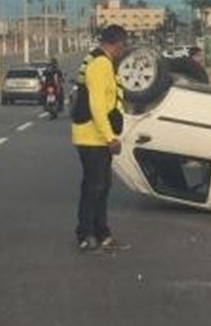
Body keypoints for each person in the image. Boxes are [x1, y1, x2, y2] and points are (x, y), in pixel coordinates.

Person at [71, 24, 130, 251]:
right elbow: (97, 105)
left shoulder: (103, 62)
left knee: (102, 187)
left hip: (97, 137)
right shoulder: (100, 64)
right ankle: (85, 235)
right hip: (92, 138)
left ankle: (102, 233)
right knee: (93, 188)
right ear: (116, 44)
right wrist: (109, 138)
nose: (124, 51)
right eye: (123, 46)